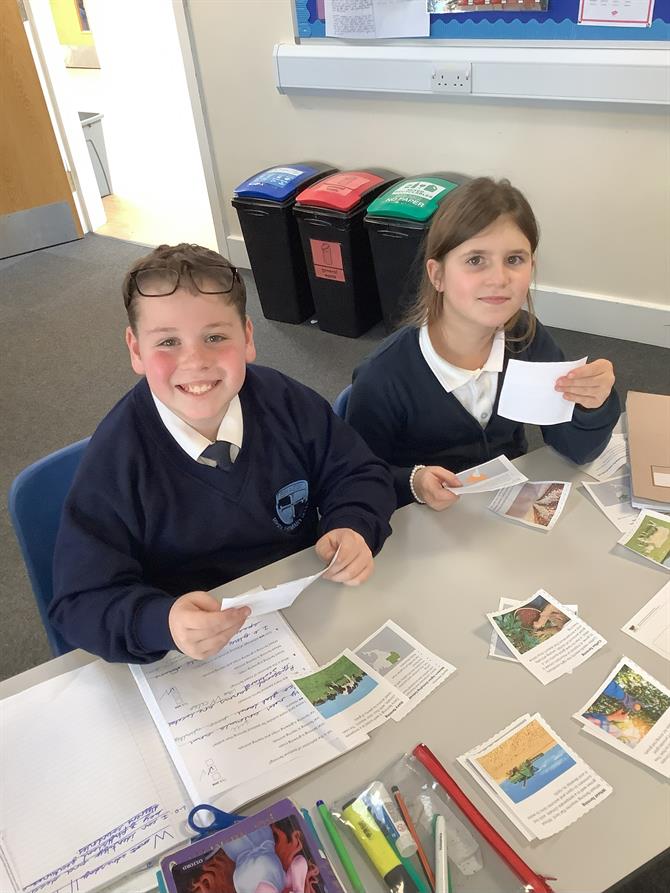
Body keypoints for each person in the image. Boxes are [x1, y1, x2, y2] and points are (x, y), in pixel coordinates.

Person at [50, 244, 395, 663]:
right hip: (192, 655)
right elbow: (80, 601)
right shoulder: (116, 460)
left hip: (307, 610)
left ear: (247, 338)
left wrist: (353, 524)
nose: (195, 361)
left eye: (215, 337)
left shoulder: (286, 402)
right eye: (168, 342)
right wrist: (161, 622)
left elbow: (358, 472)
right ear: (136, 350)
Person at [346, 177, 620, 509]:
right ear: (438, 275)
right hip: (423, 518)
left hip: (503, 508)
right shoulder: (384, 377)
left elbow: (576, 449)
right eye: (476, 260)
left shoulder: (527, 339)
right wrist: (413, 482)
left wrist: (592, 405)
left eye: (514, 260)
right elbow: (356, 479)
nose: (499, 279)